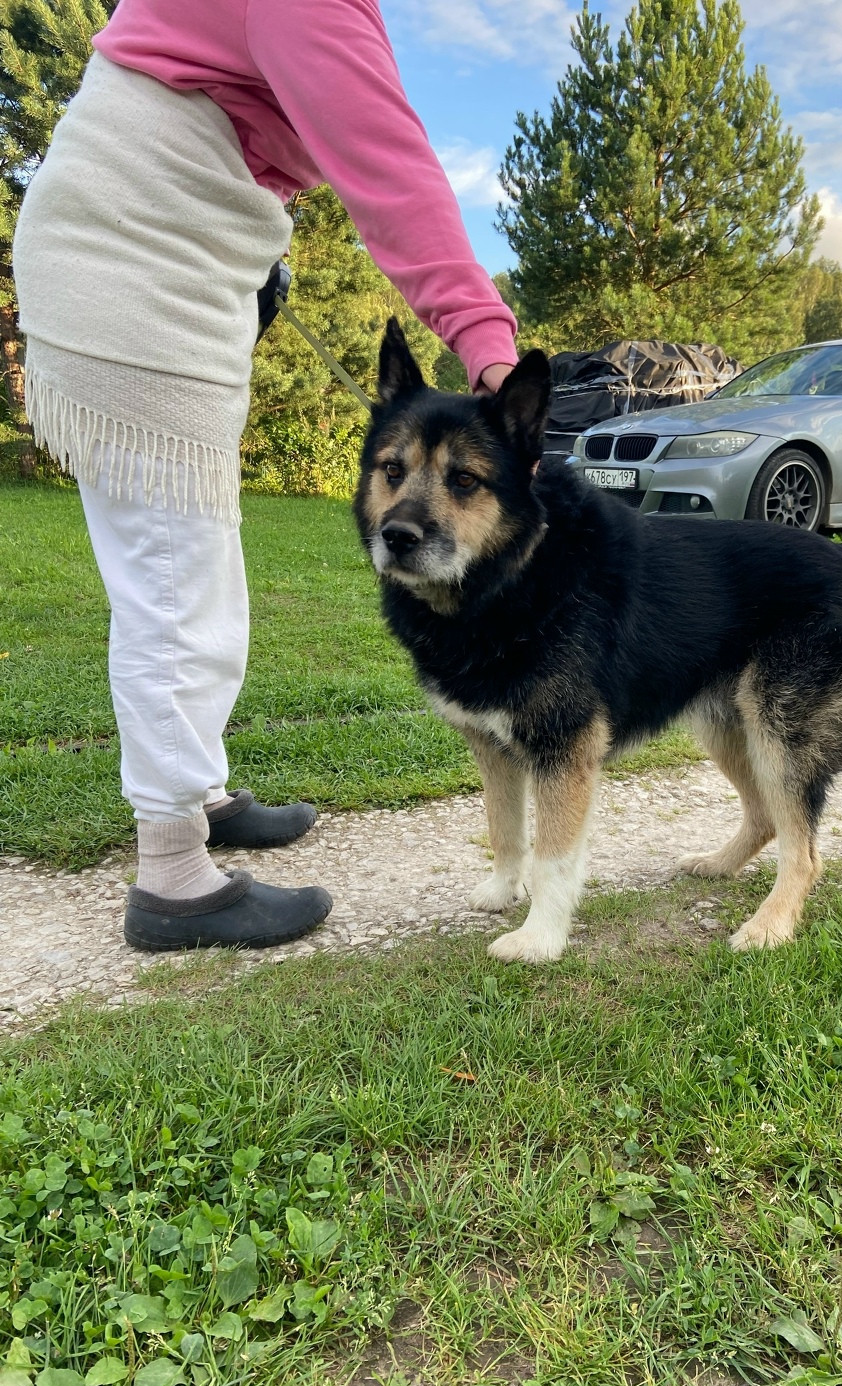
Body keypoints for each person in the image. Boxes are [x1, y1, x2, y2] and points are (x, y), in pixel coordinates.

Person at [13, 0, 518, 953]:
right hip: (139, 270)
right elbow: (393, 173)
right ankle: (173, 881)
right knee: (175, 584)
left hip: (157, 259)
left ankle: (197, 796)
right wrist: (487, 342)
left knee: (192, 561)